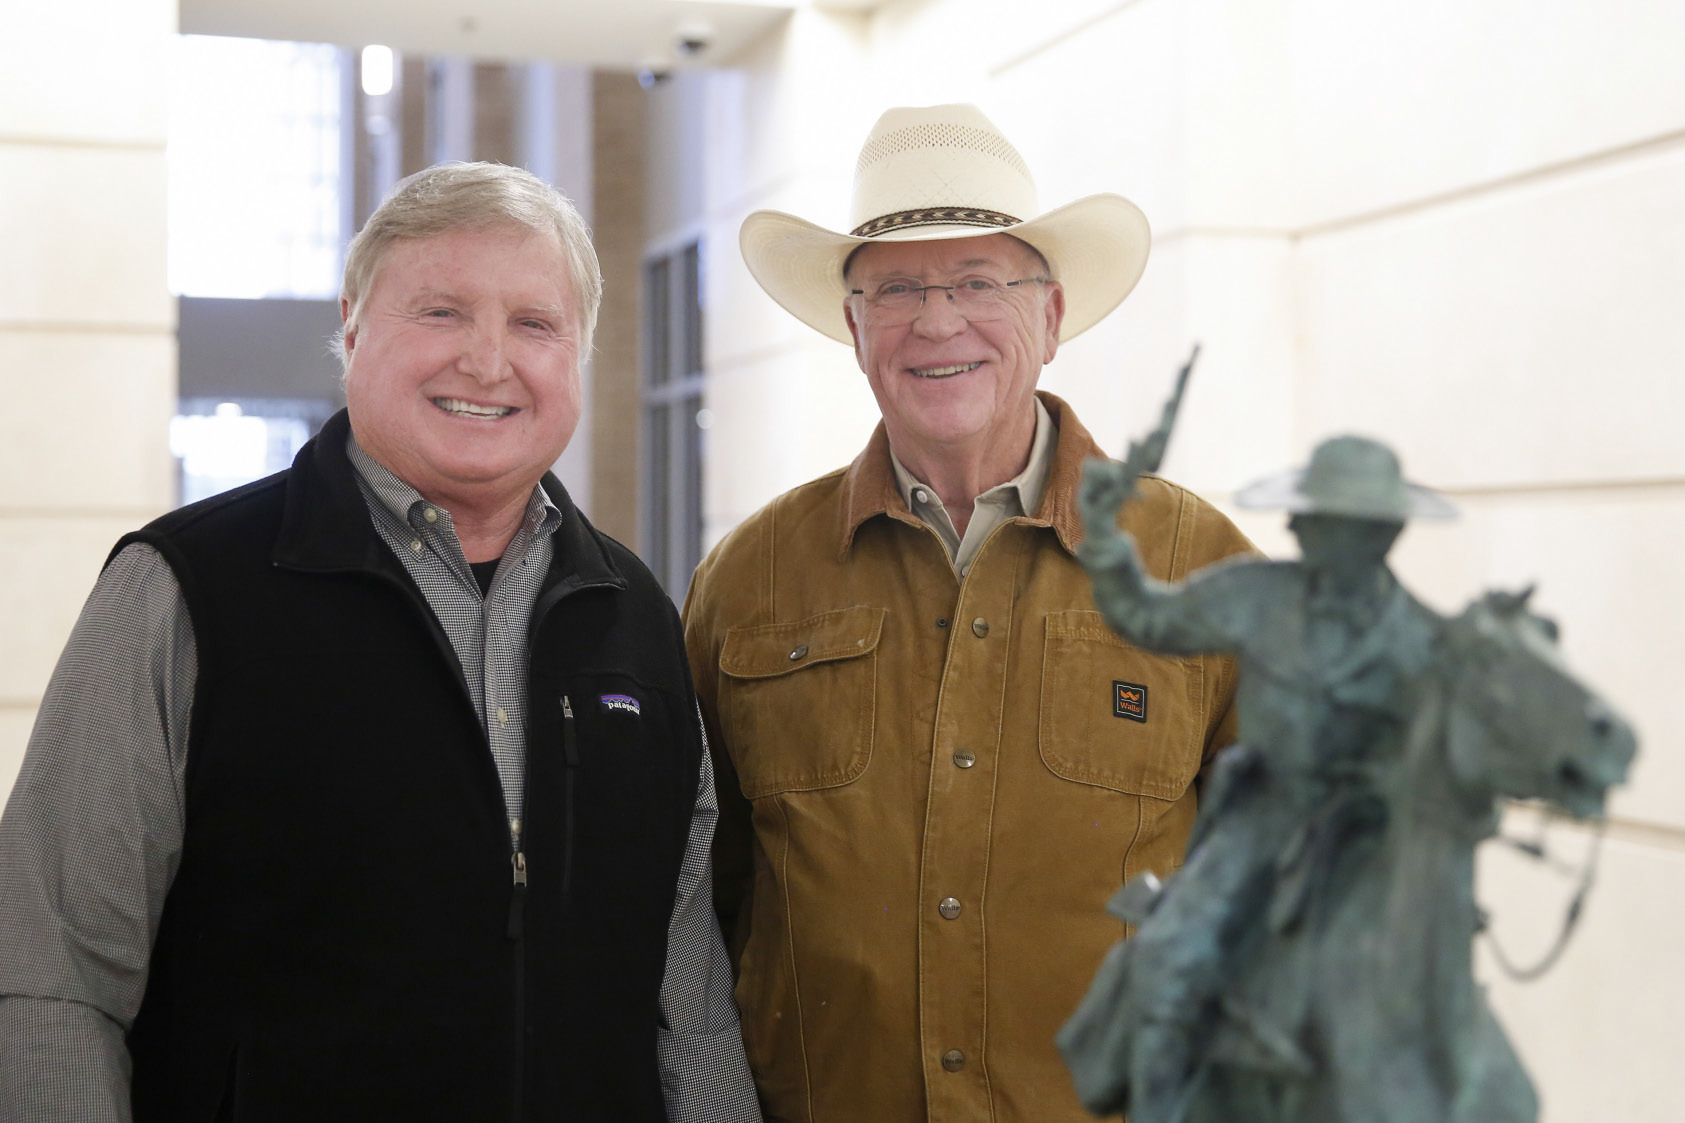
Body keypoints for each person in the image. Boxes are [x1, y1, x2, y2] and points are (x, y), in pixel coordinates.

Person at [0, 163, 759, 1122]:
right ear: (353, 326)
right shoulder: (185, 590)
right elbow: (52, 973)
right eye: (441, 312)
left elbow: (686, 993)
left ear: (579, 353)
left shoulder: (635, 612)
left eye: (535, 323)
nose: (488, 361)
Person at [681, 104, 1254, 1121]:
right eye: (896, 289)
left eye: (979, 282)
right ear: (854, 327)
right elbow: (697, 902)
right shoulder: (747, 579)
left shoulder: (1198, 568)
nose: (937, 323)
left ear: (1051, 315)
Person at [1067, 434, 1456, 1120]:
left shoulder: (1426, 639)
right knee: (1169, 956)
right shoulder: (1256, 595)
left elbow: (1467, 748)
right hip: (1263, 819)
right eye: (1312, 520)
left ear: (1383, 533)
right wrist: (1102, 537)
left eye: (1340, 524)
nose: (1309, 531)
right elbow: (1148, 616)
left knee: (1437, 982)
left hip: (1374, 836)